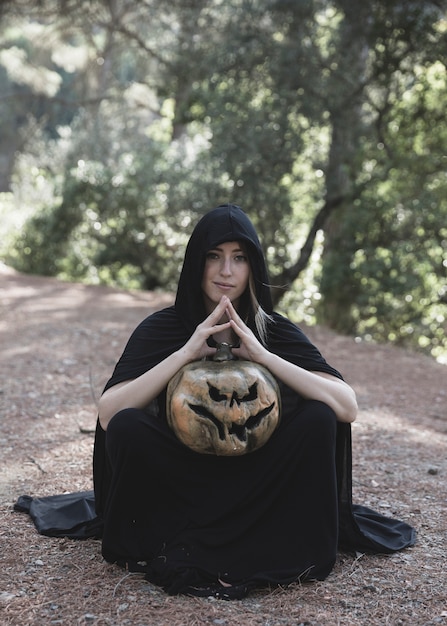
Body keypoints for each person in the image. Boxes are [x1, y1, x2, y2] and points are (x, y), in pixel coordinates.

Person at [91, 203, 415, 599]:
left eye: (239, 258)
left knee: (319, 417)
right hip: (182, 483)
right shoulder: (163, 327)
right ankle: (164, 538)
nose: (226, 271)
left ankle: (275, 539)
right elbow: (109, 414)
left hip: (260, 483)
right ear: (196, 262)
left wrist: (265, 357)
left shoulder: (273, 330)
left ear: (253, 268)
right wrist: (184, 353)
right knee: (128, 426)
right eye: (214, 256)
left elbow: (347, 406)